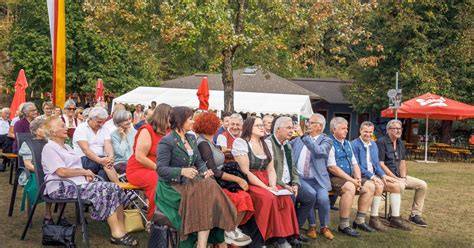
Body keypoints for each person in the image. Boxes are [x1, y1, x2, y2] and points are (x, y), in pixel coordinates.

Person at [42, 116, 138, 246]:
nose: (66, 128)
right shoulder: (49, 148)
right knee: (104, 189)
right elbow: (61, 172)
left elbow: (75, 167)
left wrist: (85, 175)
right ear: (52, 132)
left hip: (77, 184)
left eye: (64, 125)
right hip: (61, 188)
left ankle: (122, 229)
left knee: (114, 187)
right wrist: (84, 172)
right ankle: (116, 234)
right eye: (61, 126)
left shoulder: (66, 147)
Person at [156, 106, 237, 248]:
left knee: (209, 185)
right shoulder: (166, 141)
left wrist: (205, 171)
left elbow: (199, 161)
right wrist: (181, 171)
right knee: (208, 190)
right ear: (180, 121)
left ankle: (204, 243)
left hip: (190, 181)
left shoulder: (191, 138)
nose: (193, 122)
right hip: (171, 186)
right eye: (190, 119)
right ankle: (227, 228)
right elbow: (161, 169)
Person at [232, 116, 299, 248]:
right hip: (250, 181)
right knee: (268, 198)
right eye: (259, 125)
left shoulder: (266, 143)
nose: (263, 128)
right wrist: (266, 188)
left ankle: (280, 237)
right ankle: (259, 239)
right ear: (249, 128)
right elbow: (246, 171)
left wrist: (273, 185)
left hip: (267, 179)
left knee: (284, 197)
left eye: (263, 125)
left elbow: (271, 168)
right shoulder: (241, 143)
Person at [194, 112, 253, 246]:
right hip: (214, 182)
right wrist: (238, 180)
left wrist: (228, 150)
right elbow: (214, 171)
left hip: (220, 179)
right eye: (217, 123)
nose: (220, 125)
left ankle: (230, 229)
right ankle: (230, 230)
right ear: (211, 126)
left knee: (245, 196)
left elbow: (216, 149)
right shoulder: (203, 143)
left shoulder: (209, 140)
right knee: (241, 197)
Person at [352, 121, 411, 231]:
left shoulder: (373, 144)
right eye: (365, 132)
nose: (368, 134)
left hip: (374, 175)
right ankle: (374, 219)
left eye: (370, 132)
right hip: (361, 175)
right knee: (378, 186)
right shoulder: (354, 144)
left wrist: (383, 175)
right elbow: (357, 166)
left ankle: (395, 218)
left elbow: (376, 164)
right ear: (360, 130)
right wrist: (373, 177)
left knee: (395, 186)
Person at [327, 117, 376, 237]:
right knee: (350, 187)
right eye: (343, 128)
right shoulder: (329, 143)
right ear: (334, 130)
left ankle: (359, 221)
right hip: (333, 178)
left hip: (350, 177)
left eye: (347, 128)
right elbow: (332, 167)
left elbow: (355, 163)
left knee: (370, 185)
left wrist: (358, 178)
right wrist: (352, 181)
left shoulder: (348, 143)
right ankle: (343, 225)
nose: (346, 131)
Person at [377, 119, 428, 227]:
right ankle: (393, 216)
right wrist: (396, 178)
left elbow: (402, 162)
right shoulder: (381, 142)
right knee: (400, 186)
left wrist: (403, 177)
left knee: (422, 185)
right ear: (389, 130)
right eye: (395, 128)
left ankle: (415, 215)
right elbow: (381, 164)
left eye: (400, 128)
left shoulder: (400, 143)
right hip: (385, 176)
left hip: (399, 176)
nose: (398, 130)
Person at [291, 114, 334, 240]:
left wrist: (303, 136)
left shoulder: (327, 140)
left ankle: (325, 227)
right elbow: (285, 144)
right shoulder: (300, 139)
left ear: (319, 126)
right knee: (311, 196)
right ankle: (312, 226)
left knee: (323, 199)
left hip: (318, 180)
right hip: (302, 178)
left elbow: (319, 151)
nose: (308, 124)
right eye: (308, 122)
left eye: (311, 122)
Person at [17, 118, 69, 225]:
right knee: (48, 182)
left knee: (62, 180)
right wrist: (43, 171)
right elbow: (28, 164)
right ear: (35, 131)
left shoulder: (51, 142)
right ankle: (48, 215)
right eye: (42, 127)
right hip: (33, 173)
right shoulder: (28, 144)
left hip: (51, 171)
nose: (46, 129)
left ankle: (61, 215)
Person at [127, 103, 171, 220]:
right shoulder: (147, 130)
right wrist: (160, 169)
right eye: (170, 117)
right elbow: (140, 157)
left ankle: (172, 218)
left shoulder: (168, 131)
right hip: (140, 169)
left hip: (160, 168)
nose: (172, 120)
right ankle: (154, 220)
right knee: (158, 181)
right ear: (163, 117)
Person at [73, 107, 118, 182]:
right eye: (99, 122)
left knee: (103, 172)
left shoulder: (104, 128)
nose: (101, 124)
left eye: (103, 122)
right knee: (105, 163)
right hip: (83, 159)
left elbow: (108, 145)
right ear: (90, 118)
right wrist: (100, 160)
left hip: (101, 160)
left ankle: (103, 191)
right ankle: (120, 187)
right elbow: (85, 149)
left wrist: (111, 157)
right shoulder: (81, 129)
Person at [110, 110, 136, 175]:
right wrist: (123, 138)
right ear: (118, 123)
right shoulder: (114, 135)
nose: (129, 121)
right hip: (121, 163)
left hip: (134, 162)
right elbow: (120, 153)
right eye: (125, 120)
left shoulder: (135, 132)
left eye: (129, 119)